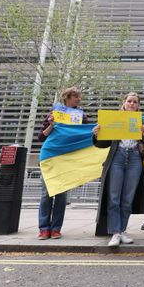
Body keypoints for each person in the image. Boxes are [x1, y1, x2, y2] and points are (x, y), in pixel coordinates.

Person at [92, 92, 144, 246]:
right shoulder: (113, 120)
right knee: (114, 198)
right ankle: (115, 232)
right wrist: (96, 134)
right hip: (117, 158)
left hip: (134, 159)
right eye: (129, 101)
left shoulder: (141, 122)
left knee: (127, 199)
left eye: (135, 102)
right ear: (124, 103)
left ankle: (123, 230)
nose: (132, 104)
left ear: (138, 105)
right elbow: (101, 144)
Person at [37, 87, 88, 240]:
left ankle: (56, 228)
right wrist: (51, 124)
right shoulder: (54, 114)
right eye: (75, 96)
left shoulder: (81, 116)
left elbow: (84, 135)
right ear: (66, 97)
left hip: (67, 158)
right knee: (47, 194)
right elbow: (41, 137)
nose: (78, 99)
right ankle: (44, 228)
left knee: (61, 195)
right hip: (51, 156)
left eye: (79, 97)